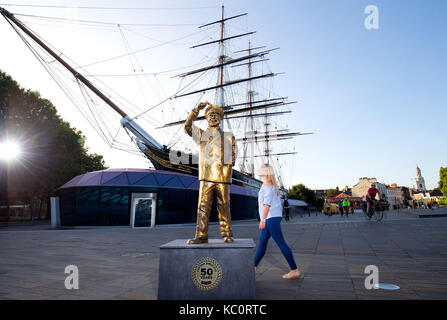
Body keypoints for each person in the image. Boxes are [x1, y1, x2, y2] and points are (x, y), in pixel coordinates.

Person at [184, 101, 236, 244]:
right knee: (203, 207)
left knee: (224, 206)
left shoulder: (229, 136)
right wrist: (196, 111)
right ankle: (201, 235)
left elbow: (232, 156)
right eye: (210, 115)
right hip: (206, 176)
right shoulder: (201, 134)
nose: (213, 117)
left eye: (216, 114)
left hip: (223, 176)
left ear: (220, 118)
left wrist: (226, 168)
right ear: (206, 118)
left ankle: (226, 234)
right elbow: (187, 127)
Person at [254, 164, 301, 280]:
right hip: (270, 218)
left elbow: (267, 205)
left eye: (261, 168)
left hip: (270, 218)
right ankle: (253, 266)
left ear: (267, 171)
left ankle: (294, 270)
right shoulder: (266, 185)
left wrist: (263, 220)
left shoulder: (268, 185)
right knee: (262, 243)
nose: (259, 169)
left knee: (281, 243)